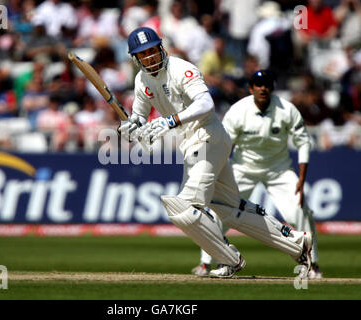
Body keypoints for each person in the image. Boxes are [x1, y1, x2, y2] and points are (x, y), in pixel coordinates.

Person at [119, 27, 313, 278]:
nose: (150, 58)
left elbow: (205, 103)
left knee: (185, 209)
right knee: (231, 209)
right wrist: (132, 126)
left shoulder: (181, 69)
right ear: (135, 59)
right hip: (192, 144)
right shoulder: (141, 81)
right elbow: (139, 116)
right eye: (142, 54)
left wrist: (170, 121)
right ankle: (297, 242)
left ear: (161, 48)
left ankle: (229, 259)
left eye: (152, 51)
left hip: (208, 137)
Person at [192, 70, 322, 279]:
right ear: (251, 88)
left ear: (272, 87)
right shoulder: (238, 111)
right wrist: (216, 173)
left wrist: (301, 178)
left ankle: (312, 263)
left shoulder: (286, 109)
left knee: (299, 211)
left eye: (267, 84)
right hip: (243, 168)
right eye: (258, 85)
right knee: (219, 212)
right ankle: (206, 263)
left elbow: (303, 142)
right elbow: (225, 145)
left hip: (278, 169)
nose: (263, 88)